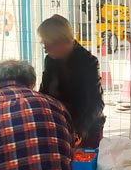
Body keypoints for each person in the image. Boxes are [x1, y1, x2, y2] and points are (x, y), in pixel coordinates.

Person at [38, 14, 105, 149]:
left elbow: (96, 103)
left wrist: (78, 130)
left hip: (85, 129)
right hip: (58, 126)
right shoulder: (50, 60)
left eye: (47, 43)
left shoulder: (88, 62)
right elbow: (44, 94)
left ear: (61, 40)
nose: (44, 47)